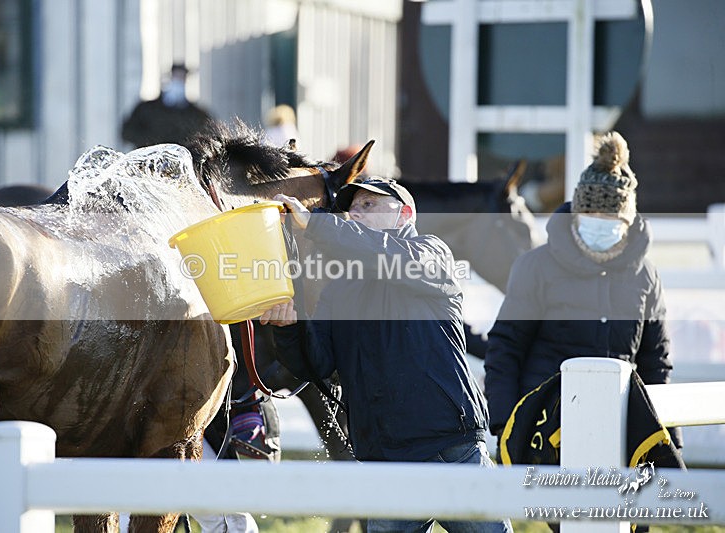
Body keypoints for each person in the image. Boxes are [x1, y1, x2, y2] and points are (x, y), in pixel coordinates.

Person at [261, 176, 512, 533]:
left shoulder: (431, 253)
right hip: (385, 460)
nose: (356, 213)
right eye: (353, 207)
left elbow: (382, 254)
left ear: (405, 214)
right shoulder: (340, 290)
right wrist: (288, 328)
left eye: (369, 205)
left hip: (452, 449)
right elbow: (314, 366)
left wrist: (318, 224)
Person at [484, 131, 681, 453]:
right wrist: (506, 422)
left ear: (626, 221)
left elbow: (655, 361)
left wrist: (669, 438)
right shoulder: (536, 267)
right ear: (577, 214)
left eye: (610, 217)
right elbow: (506, 347)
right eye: (591, 214)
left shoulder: (645, 276)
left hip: (619, 424)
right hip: (543, 427)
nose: (600, 223)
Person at [121, 63, 214, 148]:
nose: (178, 82)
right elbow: (127, 133)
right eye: (176, 78)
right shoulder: (147, 109)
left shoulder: (196, 114)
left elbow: (211, 134)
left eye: (181, 79)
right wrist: (151, 142)